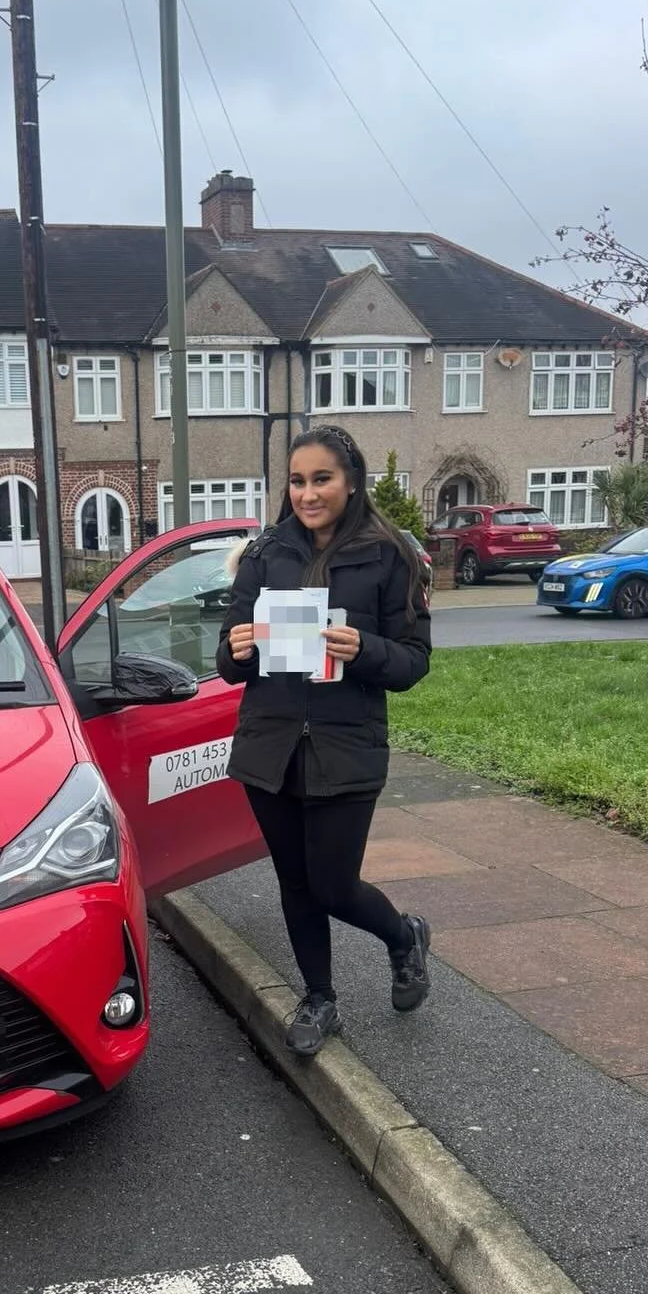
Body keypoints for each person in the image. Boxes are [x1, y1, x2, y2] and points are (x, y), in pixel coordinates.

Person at [218, 424, 432, 1056]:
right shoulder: (264, 555)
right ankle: (320, 998)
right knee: (294, 882)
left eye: (322, 479)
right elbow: (231, 664)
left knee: (334, 885)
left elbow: (414, 662)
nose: (308, 493)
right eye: (297, 480)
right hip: (271, 748)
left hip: (347, 746)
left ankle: (402, 936)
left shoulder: (388, 555)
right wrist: (237, 650)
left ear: (351, 481)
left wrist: (365, 648)